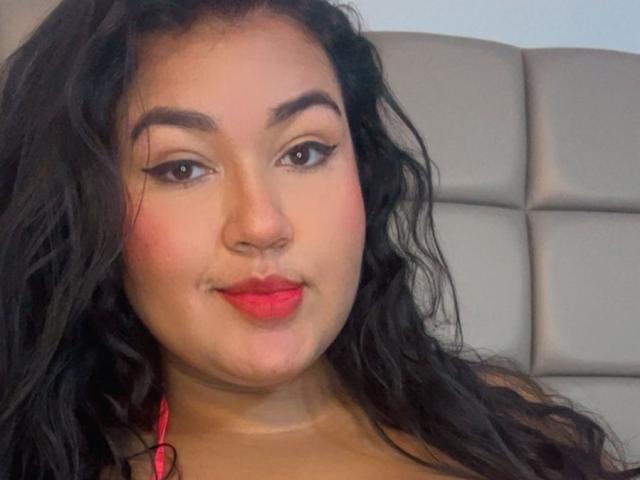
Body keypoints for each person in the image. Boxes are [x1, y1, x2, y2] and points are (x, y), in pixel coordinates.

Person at [0, 0, 638, 479]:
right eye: (182, 168)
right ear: (89, 210)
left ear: (363, 172)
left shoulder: (516, 425)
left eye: (304, 152)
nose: (262, 225)